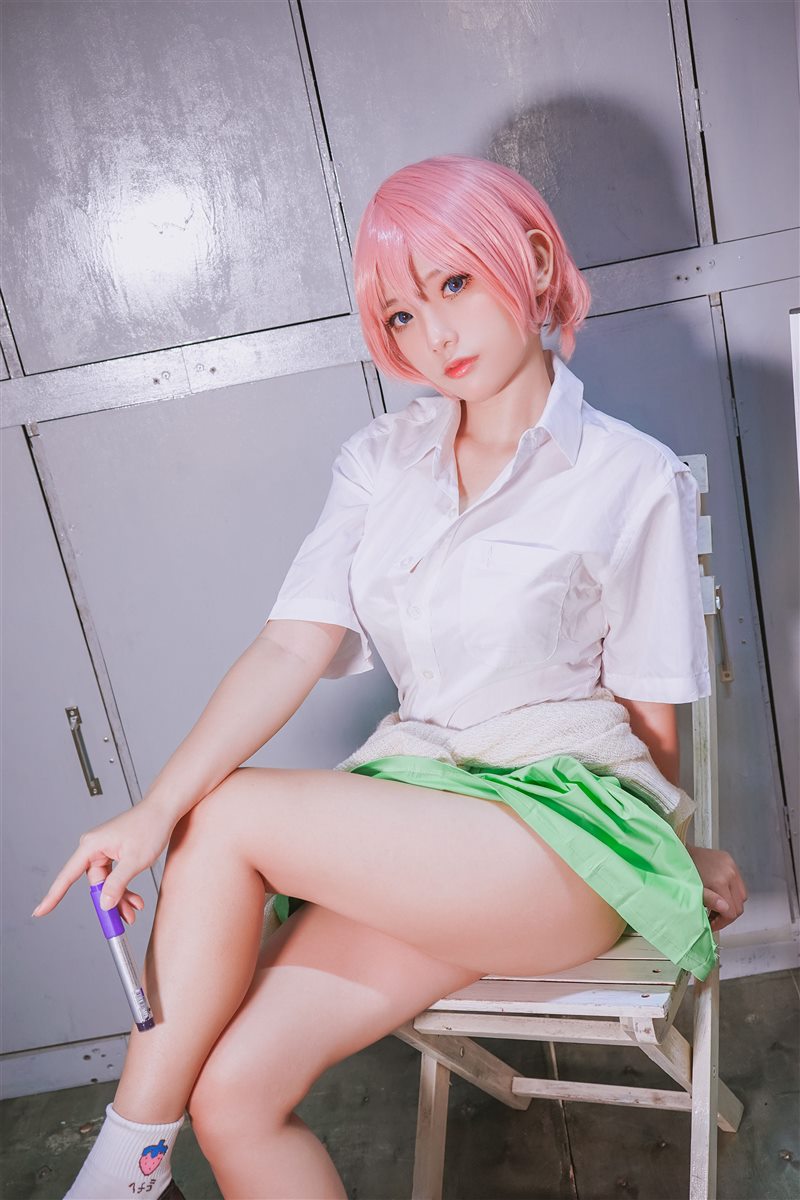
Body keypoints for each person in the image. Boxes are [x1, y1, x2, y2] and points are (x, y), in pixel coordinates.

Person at [32, 154, 748, 1200]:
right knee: (233, 1097)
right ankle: (141, 1165)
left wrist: (674, 851)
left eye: (453, 284)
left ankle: (120, 1172)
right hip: (427, 825)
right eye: (403, 315)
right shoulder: (379, 462)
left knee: (219, 813)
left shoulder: (628, 475)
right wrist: (151, 814)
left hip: (560, 842)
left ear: (532, 260)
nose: (434, 334)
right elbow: (291, 646)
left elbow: (652, 712)